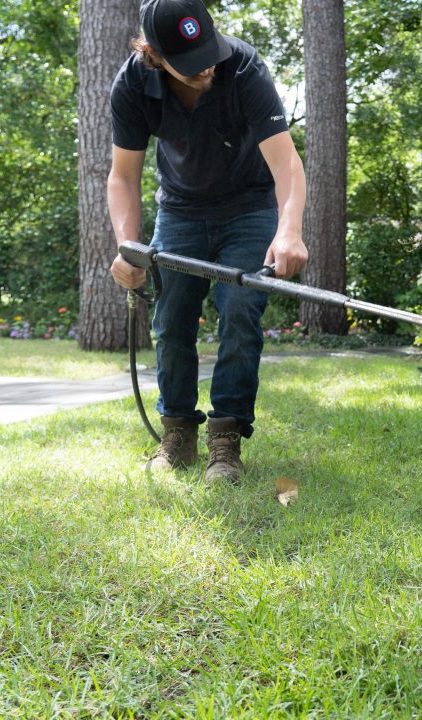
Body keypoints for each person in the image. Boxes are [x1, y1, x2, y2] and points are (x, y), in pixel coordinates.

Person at [107, 0, 307, 483]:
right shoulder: (133, 84)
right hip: (180, 211)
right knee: (171, 319)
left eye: (208, 51)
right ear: (154, 55)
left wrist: (289, 230)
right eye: (191, 62)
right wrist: (127, 246)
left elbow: (286, 164)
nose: (207, 67)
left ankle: (226, 439)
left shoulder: (243, 68)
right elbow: (123, 176)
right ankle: (177, 433)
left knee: (240, 310)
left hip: (250, 207)